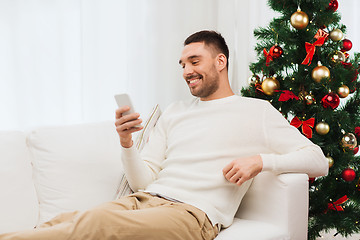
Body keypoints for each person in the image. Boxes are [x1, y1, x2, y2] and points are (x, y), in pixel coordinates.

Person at [0, 30, 328, 240]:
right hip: (143, 200)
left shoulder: (256, 111)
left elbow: (317, 160)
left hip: (192, 215)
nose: (186, 71)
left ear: (221, 61)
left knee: (96, 229)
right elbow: (144, 180)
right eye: (182, 63)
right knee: (73, 219)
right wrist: (127, 144)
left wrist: (260, 161)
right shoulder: (175, 112)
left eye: (194, 61)